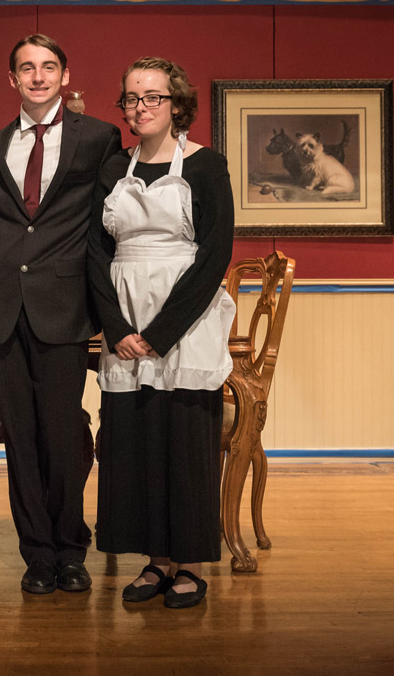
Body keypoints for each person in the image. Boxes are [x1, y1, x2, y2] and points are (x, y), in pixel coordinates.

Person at [87, 56, 235, 609]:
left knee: (185, 440)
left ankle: (191, 563)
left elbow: (215, 253)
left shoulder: (205, 165)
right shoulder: (112, 170)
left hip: (185, 323)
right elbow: (95, 255)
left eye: (152, 97)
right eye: (131, 98)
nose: (140, 107)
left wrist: (162, 332)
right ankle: (155, 560)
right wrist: (118, 327)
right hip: (124, 324)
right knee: (134, 441)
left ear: (176, 105)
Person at [0, 34, 121, 594]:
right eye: (25, 69)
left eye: (48, 67)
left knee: (63, 437)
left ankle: (70, 549)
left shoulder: (100, 138)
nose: (37, 77)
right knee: (20, 439)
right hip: (4, 309)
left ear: (65, 75)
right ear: (10, 80)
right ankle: (36, 555)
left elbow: (111, 218)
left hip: (64, 308)